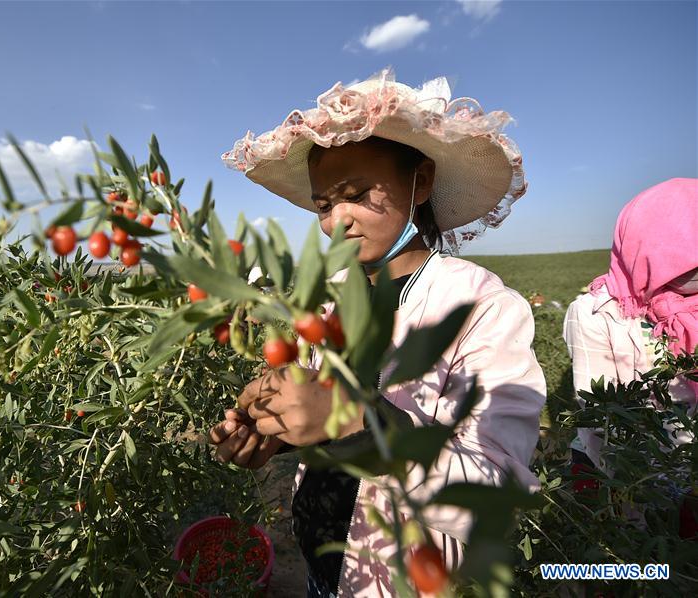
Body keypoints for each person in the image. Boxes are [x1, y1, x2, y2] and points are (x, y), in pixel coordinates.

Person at [210, 69, 547, 596]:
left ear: (424, 182)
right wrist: (272, 433)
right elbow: (318, 410)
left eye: (358, 194)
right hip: (324, 563)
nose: (336, 221)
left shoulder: (482, 309)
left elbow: (496, 489)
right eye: (325, 204)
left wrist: (355, 421)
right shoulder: (330, 298)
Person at [563, 178, 698, 470]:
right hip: (636, 470)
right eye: (683, 254)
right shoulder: (596, 312)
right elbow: (600, 414)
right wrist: (641, 487)